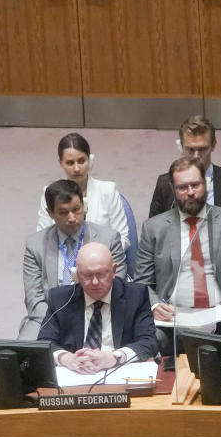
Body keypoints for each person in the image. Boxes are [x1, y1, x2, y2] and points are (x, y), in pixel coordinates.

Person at [137, 158, 221, 357]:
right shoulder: (154, 228)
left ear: (207, 184)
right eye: (183, 187)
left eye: (195, 185)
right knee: (150, 340)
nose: (190, 192)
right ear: (173, 189)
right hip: (172, 317)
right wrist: (155, 305)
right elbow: (142, 282)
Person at [19, 179, 125, 340]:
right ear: (50, 213)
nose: (72, 218)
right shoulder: (35, 245)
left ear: (84, 206)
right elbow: (34, 299)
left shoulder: (108, 239)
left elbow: (116, 286)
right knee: (24, 352)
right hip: (49, 316)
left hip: (98, 312)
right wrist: (58, 320)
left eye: (76, 209)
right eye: (63, 212)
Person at [38, 242, 158, 373]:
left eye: (101, 274)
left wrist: (114, 357)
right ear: (77, 274)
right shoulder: (60, 299)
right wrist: (67, 359)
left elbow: (149, 342)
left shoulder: (136, 295)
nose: (95, 282)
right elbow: (45, 342)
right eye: (87, 275)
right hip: (75, 374)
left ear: (113, 271)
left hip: (119, 371)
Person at [148, 115, 221, 249]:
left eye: (202, 149)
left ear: (213, 145)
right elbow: (153, 234)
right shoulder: (165, 184)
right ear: (181, 147)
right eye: (190, 149)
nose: (196, 156)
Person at [35, 132, 130, 249]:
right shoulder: (49, 193)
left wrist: (97, 258)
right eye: (70, 163)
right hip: (62, 260)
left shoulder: (108, 191)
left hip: (101, 261)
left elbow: (122, 238)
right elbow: (42, 238)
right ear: (60, 163)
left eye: (81, 161)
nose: (76, 168)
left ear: (90, 159)